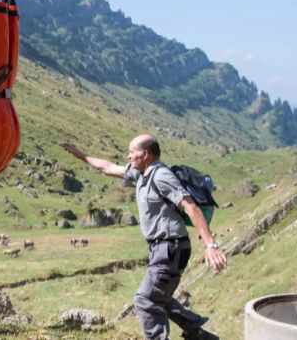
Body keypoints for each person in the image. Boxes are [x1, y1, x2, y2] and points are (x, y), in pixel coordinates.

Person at [62, 135, 226, 340]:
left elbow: (190, 207)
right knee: (160, 298)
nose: (128, 156)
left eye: (132, 152)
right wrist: (79, 154)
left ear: (145, 155)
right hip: (163, 248)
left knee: (145, 301)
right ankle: (199, 334)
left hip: (171, 248)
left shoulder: (161, 176)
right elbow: (108, 167)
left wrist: (211, 244)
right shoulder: (141, 174)